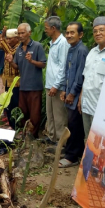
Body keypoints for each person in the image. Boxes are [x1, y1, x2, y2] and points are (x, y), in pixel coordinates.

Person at [6, 23, 47, 138]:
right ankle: (25, 134)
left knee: (35, 114)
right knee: (23, 112)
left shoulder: (37, 46)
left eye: (22, 33)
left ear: (29, 33)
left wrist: (32, 61)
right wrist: (11, 62)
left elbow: (43, 64)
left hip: (34, 86)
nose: (20, 35)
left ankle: (33, 136)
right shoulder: (19, 48)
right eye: (19, 33)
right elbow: (17, 67)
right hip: (22, 86)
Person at [59, 22, 89, 168]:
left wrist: (72, 93)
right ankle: (73, 151)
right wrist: (65, 89)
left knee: (75, 125)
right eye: (67, 32)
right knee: (72, 123)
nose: (69, 35)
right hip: (69, 91)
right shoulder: (71, 49)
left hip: (76, 94)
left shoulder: (82, 51)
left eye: (72, 33)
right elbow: (68, 71)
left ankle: (72, 156)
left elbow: (80, 75)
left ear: (81, 34)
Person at [79, 17, 105, 139]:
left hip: (102, 108)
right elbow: (86, 77)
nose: (98, 33)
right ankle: (87, 159)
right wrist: (81, 97)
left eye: (101, 30)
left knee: (100, 142)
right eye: (95, 31)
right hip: (87, 104)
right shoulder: (92, 52)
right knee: (88, 138)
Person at [0, 20, 20, 130]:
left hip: (17, 82)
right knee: (8, 104)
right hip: (7, 80)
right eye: (7, 38)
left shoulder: (19, 46)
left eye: (9, 38)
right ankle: (12, 126)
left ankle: (18, 126)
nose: (8, 41)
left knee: (16, 104)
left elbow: (10, 51)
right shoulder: (8, 45)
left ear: (17, 38)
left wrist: (2, 39)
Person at [44, 16, 69, 144]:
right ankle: (52, 137)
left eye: (46, 28)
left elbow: (63, 66)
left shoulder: (63, 43)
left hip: (57, 86)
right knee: (51, 114)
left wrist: (56, 85)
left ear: (53, 28)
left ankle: (61, 143)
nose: (45, 31)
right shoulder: (53, 42)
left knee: (59, 116)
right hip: (50, 84)